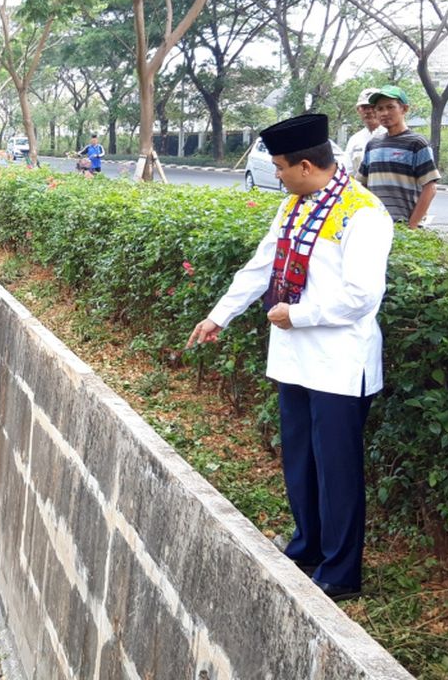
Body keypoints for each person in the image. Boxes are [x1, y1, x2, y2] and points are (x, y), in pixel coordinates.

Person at [186, 113, 394, 603]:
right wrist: (220, 316)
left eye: (279, 166)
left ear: (305, 164)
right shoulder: (293, 207)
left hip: (340, 363)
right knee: (300, 459)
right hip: (295, 359)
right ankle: (307, 546)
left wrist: (298, 315)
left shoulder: (363, 212)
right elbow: (261, 266)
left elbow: (363, 296)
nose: (274, 174)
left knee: (337, 469)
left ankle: (341, 571)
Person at [357, 85, 440, 229]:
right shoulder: (373, 145)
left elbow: (430, 187)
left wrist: (412, 226)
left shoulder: (417, 143)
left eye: (390, 107)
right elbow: (361, 185)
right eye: (380, 108)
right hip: (375, 226)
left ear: (404, 109)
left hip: (404, 228)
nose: (384, 113)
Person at [344, 87, 385, 174]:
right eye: (364, 107)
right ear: (358, 110)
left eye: (372, 107)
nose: (369, 111)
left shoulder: (392, 135)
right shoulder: (354, 140)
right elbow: (348, 171)